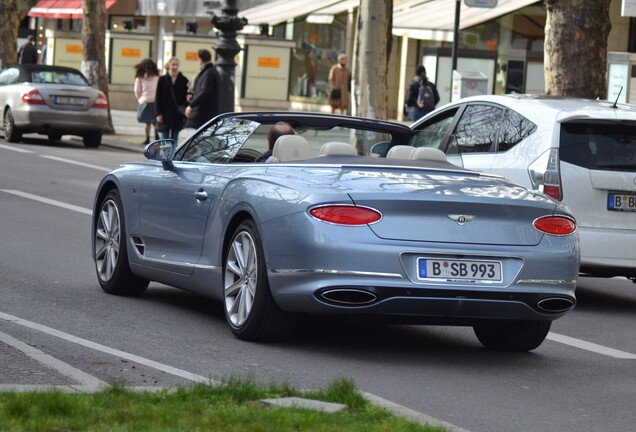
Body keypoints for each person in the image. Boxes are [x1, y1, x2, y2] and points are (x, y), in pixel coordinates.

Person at [184, 49, 221, 131]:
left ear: (200, 59)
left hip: (203, 113)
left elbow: (205, 92)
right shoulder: (210, 71)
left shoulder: (208, 73)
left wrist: (191, 105)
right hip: (205, 113)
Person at [154, 57, 189, 142]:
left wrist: (185, 112)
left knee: (174, 140)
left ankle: (172, 155)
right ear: (169, 65)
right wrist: (158, 113)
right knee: (164, 140)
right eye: (173, 64)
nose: (175, 67)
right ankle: (165, 155)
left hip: (177, 114)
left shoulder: (184, 80)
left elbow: (186, 98)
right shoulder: (162, 80)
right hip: (164, 114)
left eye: (176, 64)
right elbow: (158, 97)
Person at [134, 58, 160, 145]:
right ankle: (157, 136)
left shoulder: (140, 77)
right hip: (156, 101)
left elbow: (137, 91)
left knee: (147, 122)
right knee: (155, 122)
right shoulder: (158, 76)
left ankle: (147, 138)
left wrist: (140, 98)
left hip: (145, 101)